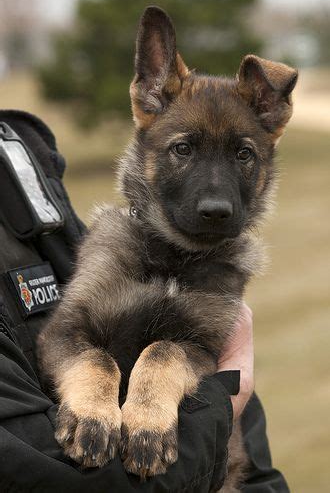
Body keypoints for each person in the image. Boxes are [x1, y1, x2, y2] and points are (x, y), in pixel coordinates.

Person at [0, 110, 289, 492]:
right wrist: (224, 399)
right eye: (184, 149)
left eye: (242, 154)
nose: (217, 198)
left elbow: (243, 435)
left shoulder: (19, 147)